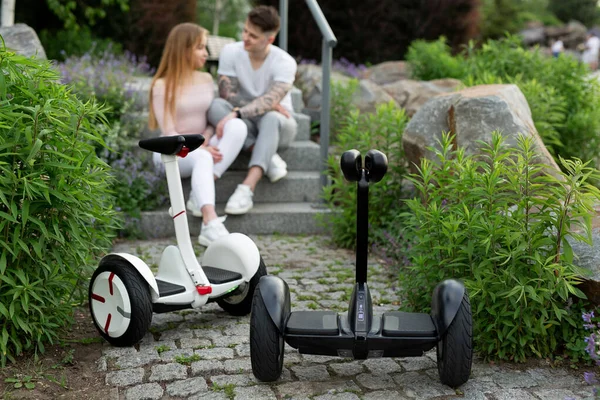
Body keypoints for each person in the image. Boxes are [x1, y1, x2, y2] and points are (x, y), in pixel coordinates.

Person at [148, 22, 248, 246]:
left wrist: (207, 136)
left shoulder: (206, 80)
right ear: (184, 50)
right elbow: (169, 132)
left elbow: (209, 120)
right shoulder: (161, 86)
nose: (206, 53)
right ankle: (210, 223)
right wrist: (201, 147)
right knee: (203, 157)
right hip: (170, 151)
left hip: (200, 144)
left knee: (238, 127)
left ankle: (199, 192)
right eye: (201, 47)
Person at [207, 5, 298, 215]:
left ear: (270, 40)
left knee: (272, 117)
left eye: (253, 36)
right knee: (215, 106)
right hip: (248, 122)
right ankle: (265, 153)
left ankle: (247, 187)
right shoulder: (231, 51)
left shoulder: (285, 62)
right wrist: (263, 102)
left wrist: (241, 111)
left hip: (279, 125)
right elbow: (226, 94)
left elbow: (272, 104)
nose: (245, 37)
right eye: (245, 31)